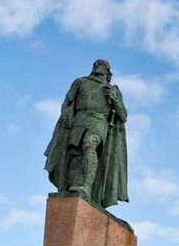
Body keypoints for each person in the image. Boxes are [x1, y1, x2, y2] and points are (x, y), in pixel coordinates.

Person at [44, 59, 128, 208]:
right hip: (79, 120)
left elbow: (123, 116)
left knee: (90, 145)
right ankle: (75, 188)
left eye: (101, 64)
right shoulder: (80, 82)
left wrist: (114, 100)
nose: (96, 65)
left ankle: (87, 187)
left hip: (98, 121)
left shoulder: (113, 90)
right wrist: (66, 114)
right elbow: (67, 102)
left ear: (108, 72)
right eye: (95, 63)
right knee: (75, 159)